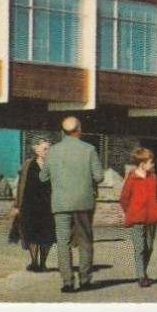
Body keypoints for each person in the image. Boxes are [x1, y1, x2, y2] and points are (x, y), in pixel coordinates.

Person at [41, 115, 103, 294]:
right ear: (79, 129)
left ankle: (67, 282)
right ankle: (85, 280)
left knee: (63, 243)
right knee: (85, 241)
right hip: (84, 202)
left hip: (60, 203)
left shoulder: (53, 151)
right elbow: (99, 176)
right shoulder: (89, 149)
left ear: (62, 132)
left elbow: (43, 176)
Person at [10, 136, 56, 272]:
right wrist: (17, 205)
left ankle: (43, 264)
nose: (48, 151)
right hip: (30, 206)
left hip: (49, 206)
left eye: (49, 149)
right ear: (36, 149)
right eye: (45, 148)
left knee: (47, 236)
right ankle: (34, 262)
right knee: (32, 235)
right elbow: (20, 186)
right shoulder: (27, 166)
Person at [119, 147, 157, 288]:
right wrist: (131, 211)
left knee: (149, 247)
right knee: (140, 248)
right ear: (142, 163)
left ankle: (142, 271)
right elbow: (124, 199)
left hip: (151, 218)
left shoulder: (152, 177)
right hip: (137, 218)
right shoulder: (132, 178)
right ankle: (141, 276)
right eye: (150, 161)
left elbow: (156, 195)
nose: (153, 164)